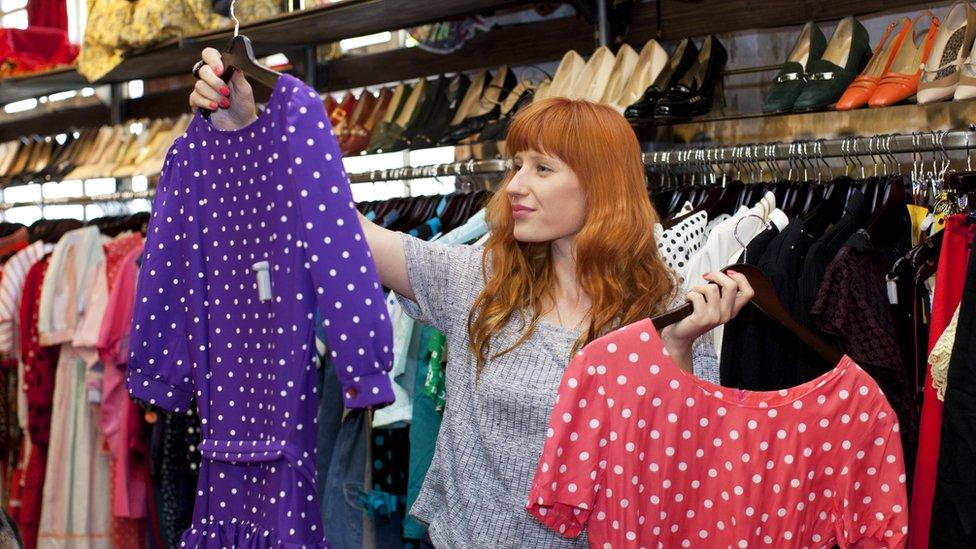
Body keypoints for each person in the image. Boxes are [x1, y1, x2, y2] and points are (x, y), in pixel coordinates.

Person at [189, 49, 755, 548]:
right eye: (515, 166)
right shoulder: (481, 283)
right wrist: (251, 127)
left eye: (541, 168)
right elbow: (336, 227)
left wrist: (677, 349)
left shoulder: (669, 307)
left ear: (600, 186)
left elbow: (681, 473)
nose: (515, 186)